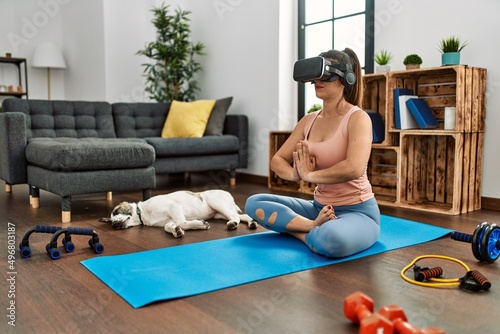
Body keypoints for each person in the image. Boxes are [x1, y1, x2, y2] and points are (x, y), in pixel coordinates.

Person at [245, 48, 380, 258]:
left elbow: (354, 167)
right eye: (317, 74)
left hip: (358, 211)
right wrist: (296, 174)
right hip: (318, 208)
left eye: (327, 74)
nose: (319, 80)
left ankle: (300, 232)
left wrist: (310, 176)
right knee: (254, 203)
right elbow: (277, 160)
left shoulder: (358, 118)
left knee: (332, 239)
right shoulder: (308, 120)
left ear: (346, 78)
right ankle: (310, 226)